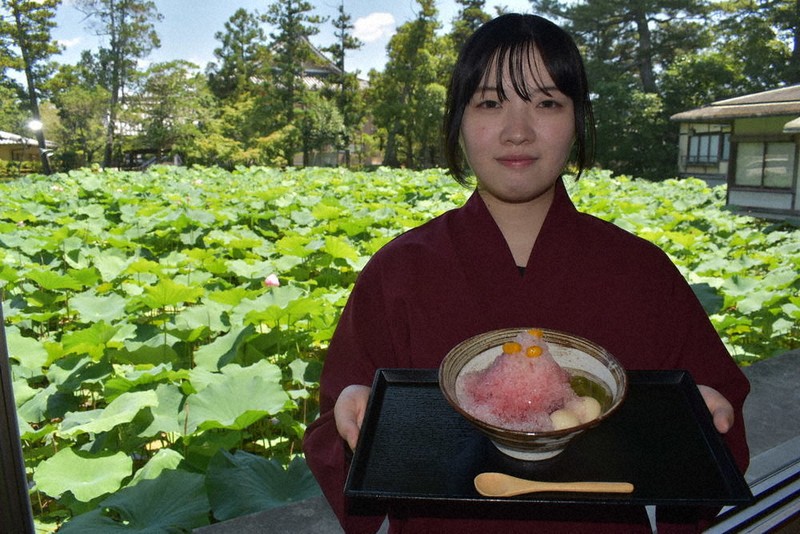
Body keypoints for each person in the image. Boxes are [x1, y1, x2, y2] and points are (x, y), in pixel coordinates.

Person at [303, 13, 749, 534]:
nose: (517, 131)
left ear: (578, 119)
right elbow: (334, 437)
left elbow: (714, 429)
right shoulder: (398, 271)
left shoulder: (643, 272)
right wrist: (359, 422)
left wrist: (697, 426)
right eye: (490, 103)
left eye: (547, 103)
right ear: (458, 121)